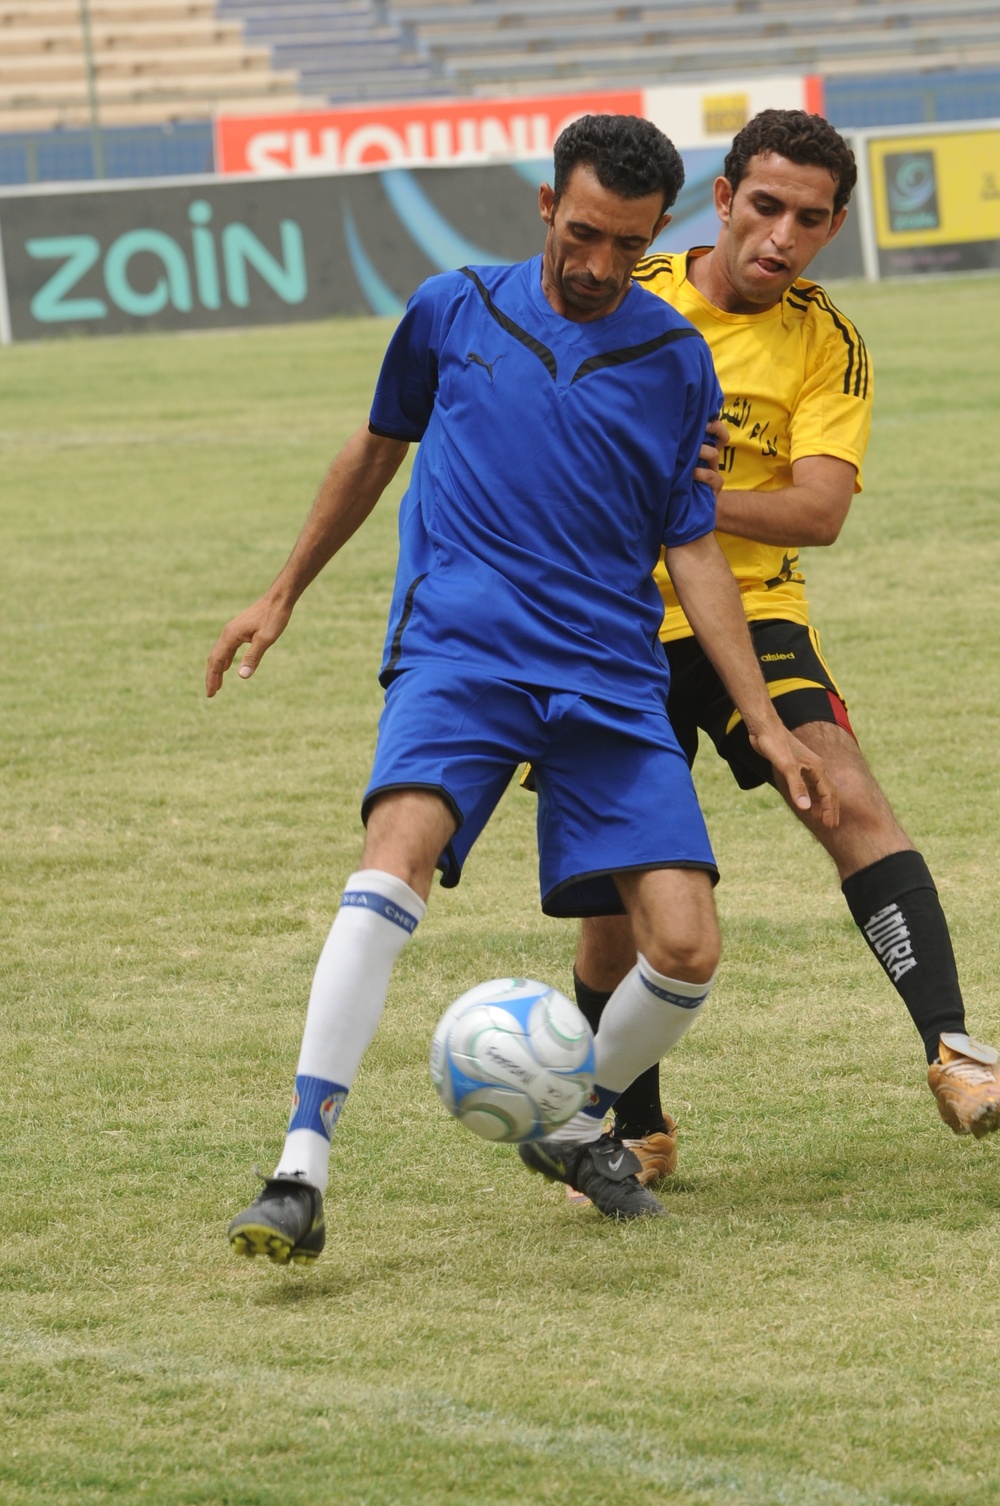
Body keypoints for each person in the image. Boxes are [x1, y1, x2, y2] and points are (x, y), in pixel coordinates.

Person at [206, 113, 837, 1257]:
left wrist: (763, 721)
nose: (597, 266)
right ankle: (299, 1168)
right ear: (546, 208)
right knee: (391, 857)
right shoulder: (453, 311)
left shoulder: (672, 360)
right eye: (580, 235)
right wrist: (282, 589)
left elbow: (689, 543)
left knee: (687, 947)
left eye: (624, 243)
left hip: (605, 674)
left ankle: (569, 1113)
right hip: (462, 652)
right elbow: (375, 446)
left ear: (657, 233)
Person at [570, 109, 1000, 1201]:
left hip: (752, 614)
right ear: (721, 200)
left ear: (834, 226)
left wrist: (697, 494)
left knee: (843, 793)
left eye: (810, 219)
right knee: (616, 917)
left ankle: (953, 1050)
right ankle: (635, 1126)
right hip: (607, 625)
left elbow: (816, 510)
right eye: (764, 207)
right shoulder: (630, 295)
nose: (781, 236)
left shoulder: (826, 340)